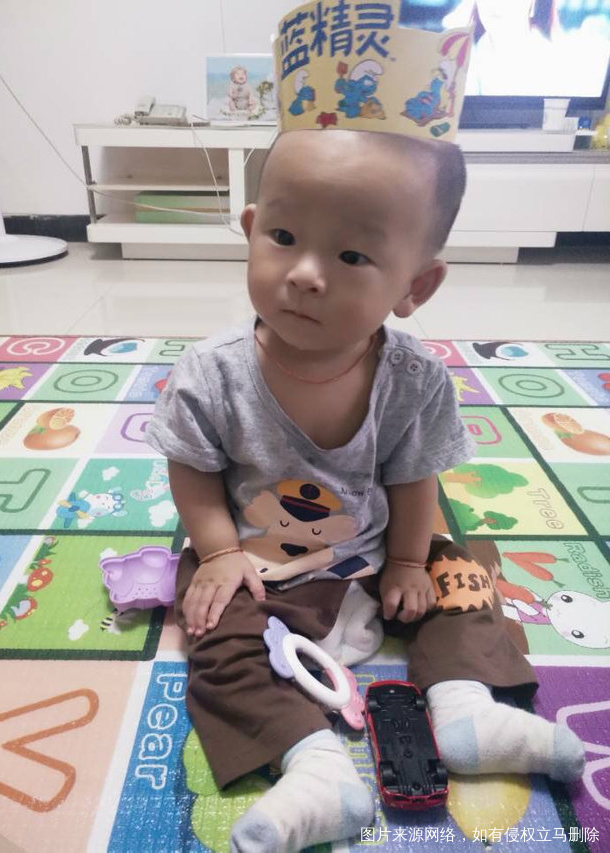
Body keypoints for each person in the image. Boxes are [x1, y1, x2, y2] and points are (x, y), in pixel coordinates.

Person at [146, 127, 585, 853]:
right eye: (283, 236)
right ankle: (313, 765)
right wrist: (219, 551)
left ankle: (467, 708)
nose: (305, 274)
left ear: (416, 286)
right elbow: (190, 467)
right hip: (260, 560)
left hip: (379, 551)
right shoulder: (212, 372)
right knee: (210, 625)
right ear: (251, 230)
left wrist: (409, 562)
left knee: (463, 571)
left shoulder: (415, 378)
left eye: (351, 256)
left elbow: (414, 479)